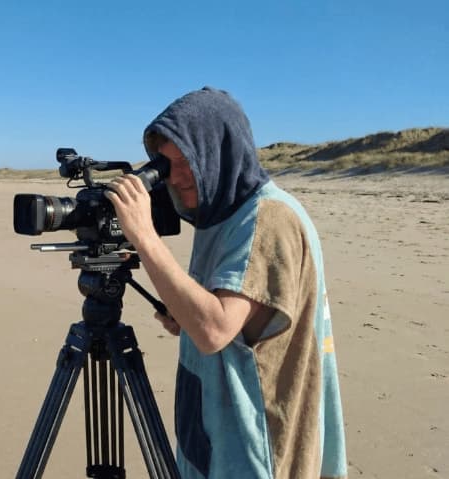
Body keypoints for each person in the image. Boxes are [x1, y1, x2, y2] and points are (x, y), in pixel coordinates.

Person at [104, 87, 347, 479]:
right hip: (218, 427)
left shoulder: (268, 218)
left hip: (255, 442)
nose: (178, 178)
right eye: (166, 164)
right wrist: (185, 311)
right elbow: (241, 316)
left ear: (218, 154)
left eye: (187, 161)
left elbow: (215, 329)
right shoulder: (222, 212)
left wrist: (144, 237)